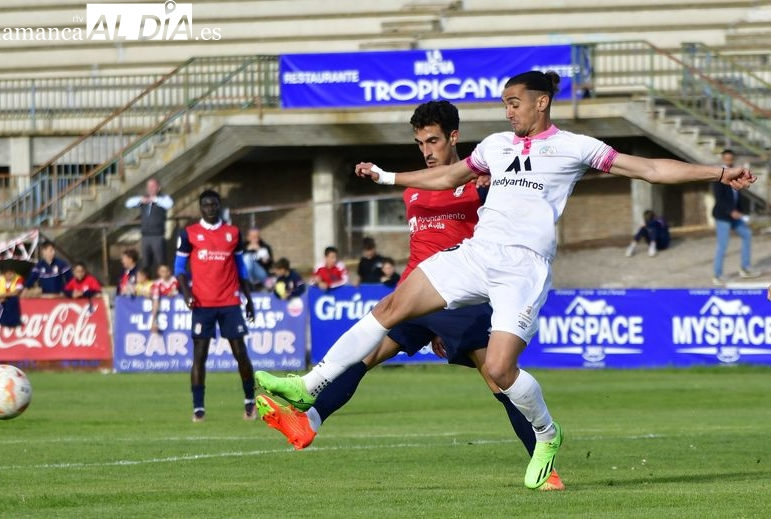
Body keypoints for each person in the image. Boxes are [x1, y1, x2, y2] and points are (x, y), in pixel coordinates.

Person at [255, 70, 756, 490]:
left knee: (499, 368)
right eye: (504, 104)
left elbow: (648, 168)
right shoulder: (494, 146)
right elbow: (446, 178)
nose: (508, 112)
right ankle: (308, 386)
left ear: (542, 103)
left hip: (524, 266)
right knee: (389, 310)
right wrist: (387, 178)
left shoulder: (574, 147)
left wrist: (717, 172)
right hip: (475, 255)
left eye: (514, 103)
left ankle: (545, 433)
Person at [255, 100, 566, 487]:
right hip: (417, 291)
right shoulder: (415, 190)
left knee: (497, 377)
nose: (426, 150)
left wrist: (487, 193)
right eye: (420, 142)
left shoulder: (480, 181)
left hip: (461, 296)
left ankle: (546, 465)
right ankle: (308, 421)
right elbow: (421, 247)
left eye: (433, 141)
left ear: (453, 136)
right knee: (364, 356)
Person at [175, 189, 257, 422]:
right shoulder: (189, 233)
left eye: (214, 205)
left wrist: (249, 299)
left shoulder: (233, 233)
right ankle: (198, 408)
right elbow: (179, 270)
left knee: (240, 353)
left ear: (219, 206)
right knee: (199, 355)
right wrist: (187, 293)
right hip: (202, 303)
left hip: (230, 302)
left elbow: (241, 269)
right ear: (200, 208)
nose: (210, 208)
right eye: (206, 205)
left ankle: (250, 402)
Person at [712, 149, 760, 285]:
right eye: (726, 159)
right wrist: (730, 211)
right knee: (723, 245)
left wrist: (739, 211)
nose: (728, 161)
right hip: (723, 215)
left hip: (735, 215)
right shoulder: (719, 175)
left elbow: (737, 195)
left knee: (747, 234)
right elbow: (719, 198)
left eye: (730, 159)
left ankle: (745, 268)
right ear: (722, 159)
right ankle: (718, 275)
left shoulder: (736, 173)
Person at [125, 177, 174, 273]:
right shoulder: (144, 199)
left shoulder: (163, 198)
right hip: (145, 237)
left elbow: (169, 204)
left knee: (161, 263)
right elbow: (128, 203)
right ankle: (147, 285)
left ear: (158, 188)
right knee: (146, 264)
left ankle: (164, 285)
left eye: (153, 186)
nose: (150, 188)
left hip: (158, 236)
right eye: (148, 186)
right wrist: (141, 200)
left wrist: (155, 200)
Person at [149, 264, 179, 334]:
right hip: (164, 313)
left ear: (170, 272)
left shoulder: (175, 280)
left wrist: (173, 292)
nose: (165, 273)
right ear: (158, 272)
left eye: (166, 271)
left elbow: (175, 290)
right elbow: (155, 302)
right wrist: (153, 321)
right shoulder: (157, 284)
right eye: (162, 271)